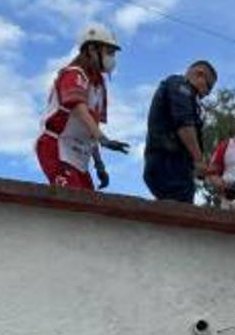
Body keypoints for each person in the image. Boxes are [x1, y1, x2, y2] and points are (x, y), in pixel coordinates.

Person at [36, 24, 129, 191]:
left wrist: (99, 165)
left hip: (80, 154)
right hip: (56, 146)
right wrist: (104, 139)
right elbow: (79, 110)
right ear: (92, 50)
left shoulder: (99, 86)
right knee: (72, 200)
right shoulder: (74, 74)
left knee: (89, 203)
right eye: (109, 52)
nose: (112, 59)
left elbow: (91, 127)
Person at [143, 60, 217, 203]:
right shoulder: (179, 85)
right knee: (177, 210)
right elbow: (184, 124)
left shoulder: (188, 97)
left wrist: (201, 168)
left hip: (171, 165)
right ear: (199, 74)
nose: (207, 93)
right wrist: (198, 160)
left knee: (178, 205)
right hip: (168, 164)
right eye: (208, 87)